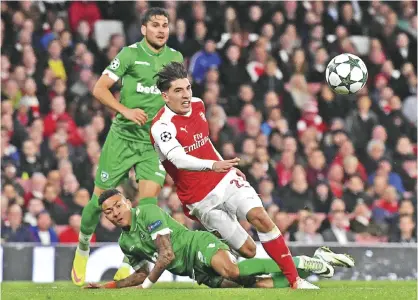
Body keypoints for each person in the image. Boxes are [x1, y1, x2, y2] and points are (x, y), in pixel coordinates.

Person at [150, 62, 307, 288]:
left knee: (259, 216)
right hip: (199, 199)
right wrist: (212, 165)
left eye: (188, 88)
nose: (186, 95)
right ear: (165, 96)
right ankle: (232, 272)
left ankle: (295, 280)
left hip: (223, 180)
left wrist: (226, 167)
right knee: (249, 250)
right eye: (178, 91)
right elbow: (178, 159)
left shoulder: (198, 105)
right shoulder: (161, 126)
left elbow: (205, 141)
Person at [72, 7, 183, 286]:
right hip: (122, 138)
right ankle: (83, 248)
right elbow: (99, 88)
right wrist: (125, 110)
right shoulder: (130, 54)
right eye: (155, 25)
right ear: (144, 29)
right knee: (99, 202)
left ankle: (131, 259)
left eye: (165, 25)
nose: (161, 29)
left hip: (151, 143)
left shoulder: (175, 58)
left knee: (147, 206)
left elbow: (178, 95)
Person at [84, 189, 355, 289]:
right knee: (254, 285)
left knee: (232, 269)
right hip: (194, 272)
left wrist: (148, 286)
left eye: (118, 206)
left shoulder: (148, 212)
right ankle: (314, 265)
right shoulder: (126, 243)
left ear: (128, 203)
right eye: (108, 211)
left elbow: (165, 255)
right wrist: (110, 286)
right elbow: (141, 273)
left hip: (197, 245)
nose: (115, 213)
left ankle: (301, 261)